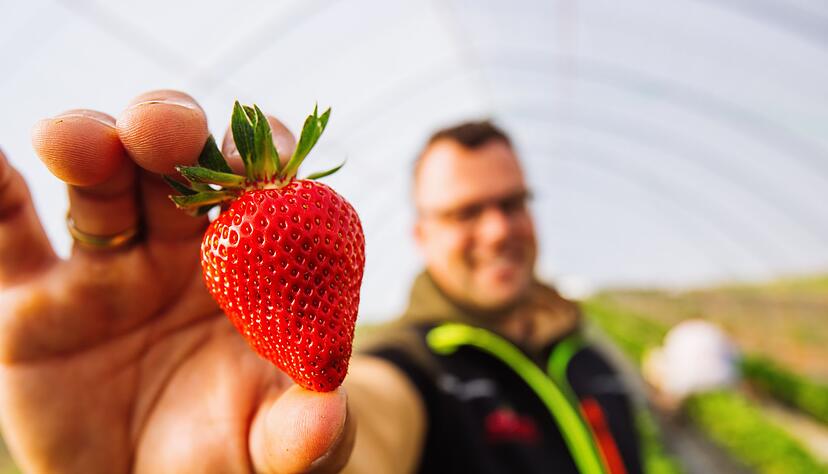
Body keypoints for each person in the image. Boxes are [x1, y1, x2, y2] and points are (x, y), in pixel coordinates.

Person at [0, 89, 640, 473]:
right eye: (466, 212)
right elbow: (372, 423)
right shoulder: (411, 365)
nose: (499, 229)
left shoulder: (589, 350)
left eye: (512, 202)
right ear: (419, 234)